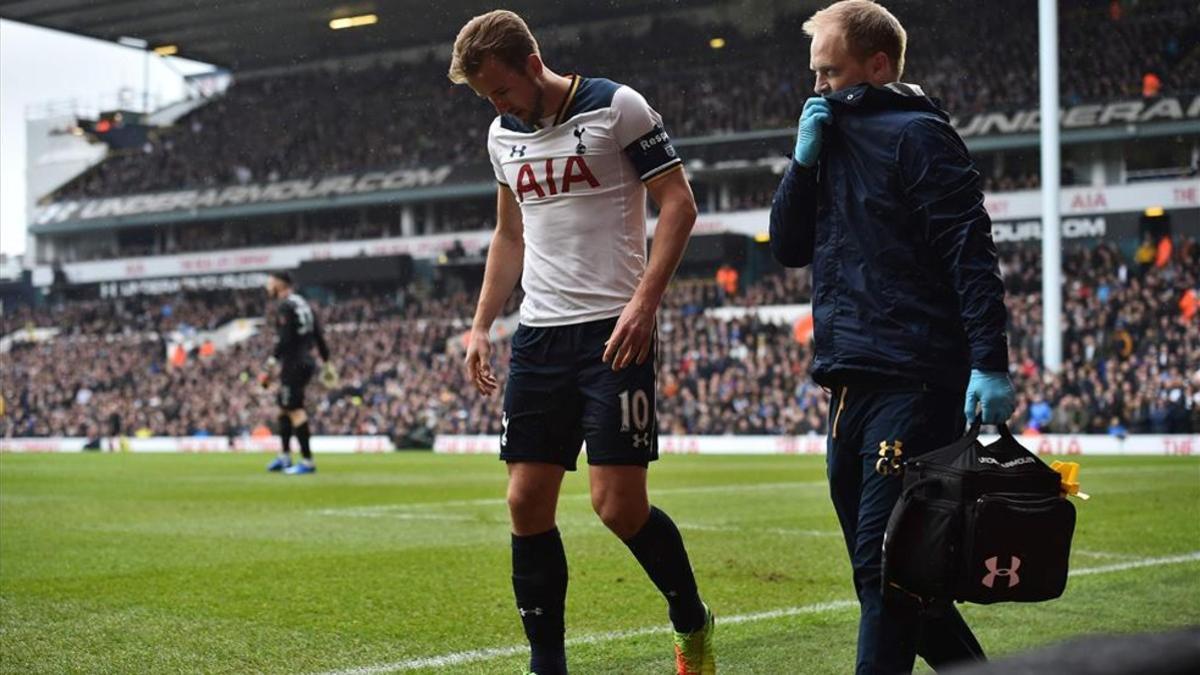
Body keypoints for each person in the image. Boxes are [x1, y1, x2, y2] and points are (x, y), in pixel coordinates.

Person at [449, 10, 715, 674]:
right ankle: (548, 663)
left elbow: (678, 203)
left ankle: (691, 618)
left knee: (617, 505)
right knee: (523, 499)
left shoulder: (616, 107)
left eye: (500, 89)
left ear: (527, 64)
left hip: (613, 331)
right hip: (539, 336)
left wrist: (645, 302)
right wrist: (482, 323)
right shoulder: (501, 135)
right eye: (489, 98)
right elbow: (510, 235)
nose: (498, 104)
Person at [768, 1, 1016, 673]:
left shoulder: (917, 136)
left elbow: (970, 248)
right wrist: (801, 162)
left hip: (915, 376)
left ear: (877, 66)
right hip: (847, 382)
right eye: (814, 74)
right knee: (893, 578)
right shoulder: (826, 139)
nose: (819, 88)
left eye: (831, 72)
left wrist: (990, 361)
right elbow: (788, 246)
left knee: (887, 572)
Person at [262, 271, 335, 475]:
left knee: (295, 410)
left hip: (293, 363)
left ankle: (307, 461)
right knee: (283, 408)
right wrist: (327, 360)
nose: (268, 286)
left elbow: (284, 341)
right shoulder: (303, 303)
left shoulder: (285, 306)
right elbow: (318, 334)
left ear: (280, 284)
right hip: (305, 360)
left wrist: (269, 364)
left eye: (271, 282)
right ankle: (285, 456)